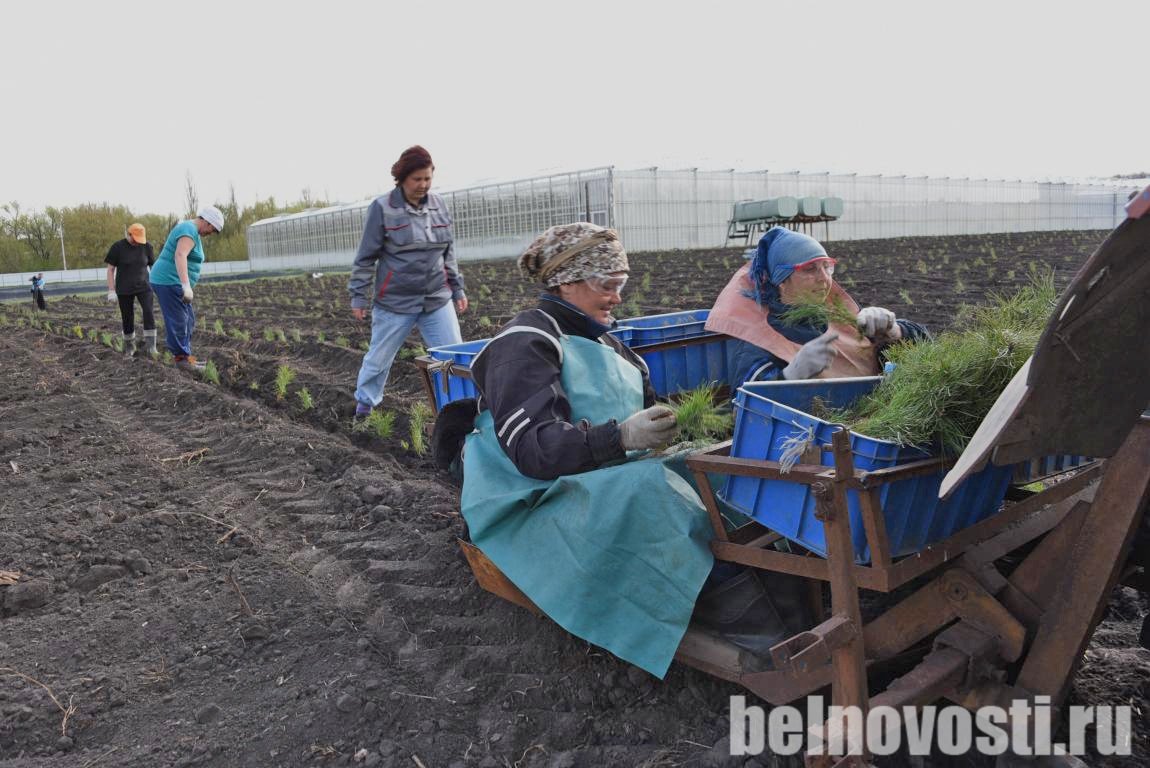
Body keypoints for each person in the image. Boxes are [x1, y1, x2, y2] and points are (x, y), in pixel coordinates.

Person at [455, 222, 809, 679]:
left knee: (715, 475)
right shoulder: (525, 343)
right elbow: (533, 452)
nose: (617, 298)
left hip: (599, 474)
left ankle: (795, 615)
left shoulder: (618, 350)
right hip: (527, 498)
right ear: (567, 281)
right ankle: (758, 637)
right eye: (608, 285)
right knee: (656, 493)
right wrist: (620, 437)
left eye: (620, 285)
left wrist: (665, 435)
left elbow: (641, 430)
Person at [706, 226, 929, 386]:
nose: (824, 279)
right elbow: (746, 404)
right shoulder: (764, 339)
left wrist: (894, 330)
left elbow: (927, 348)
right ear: (782, 280)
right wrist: (790, 376)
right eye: (810, 269)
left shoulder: (843, 320)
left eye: (827, 267)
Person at [348, 145, 467, 419]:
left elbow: (448, 252)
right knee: (379, 360)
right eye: (417, 179)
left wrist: (457, 287)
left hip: (436, 298)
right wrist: (358, 295)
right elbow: (366, 256)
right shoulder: (383, 208)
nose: (423, 185)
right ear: (402, 178)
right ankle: (364, 408)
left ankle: (458, 412)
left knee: (452, 358)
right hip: (395, 302)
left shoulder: (439, 206)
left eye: (428, 178)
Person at [150, 206, 225, 369]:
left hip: (172, 281)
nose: (210, 233)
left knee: (188, 320)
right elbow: (180, 254)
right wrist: (186, 285)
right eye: (212, 229)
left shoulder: (192, 231)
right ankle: (181, 360)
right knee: (179, 320)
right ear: (207, 221)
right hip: (168, 280)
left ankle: (185, 356)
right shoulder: (188, 228)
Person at [104, 223, 157, 356]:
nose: (138, 242)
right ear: (129, 235)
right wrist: (111, 290)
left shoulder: (147, 247)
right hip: (124, 288)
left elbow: (154, 268)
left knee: (149, 312)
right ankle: (130, 347)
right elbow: (110, 269)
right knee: (127, 317)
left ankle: (151, 347)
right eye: (136, 239)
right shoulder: (118, 247)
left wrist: (158, 284)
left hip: (144, 286)